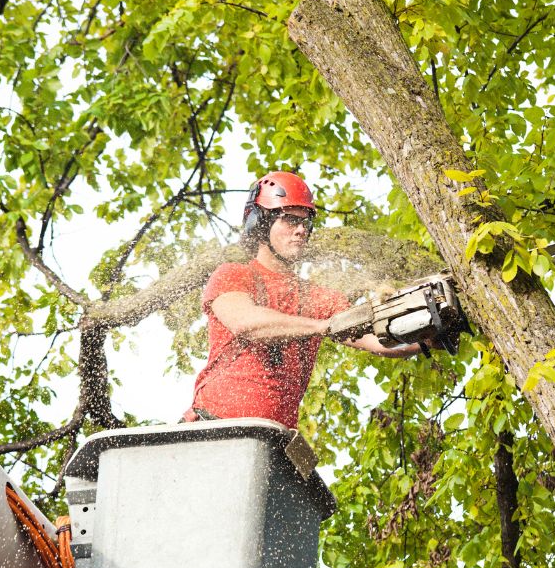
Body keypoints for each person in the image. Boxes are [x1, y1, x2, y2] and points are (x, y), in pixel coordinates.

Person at [182, 172, 430, 428]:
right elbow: (246, 322)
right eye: (290, 220)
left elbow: (376, 340)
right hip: (213, 429)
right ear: (260, 223)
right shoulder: (235, 275)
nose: (301, 230)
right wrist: (321, 327)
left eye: (305, 223)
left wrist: (425, 337)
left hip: (274, 439)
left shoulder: (319, 298)